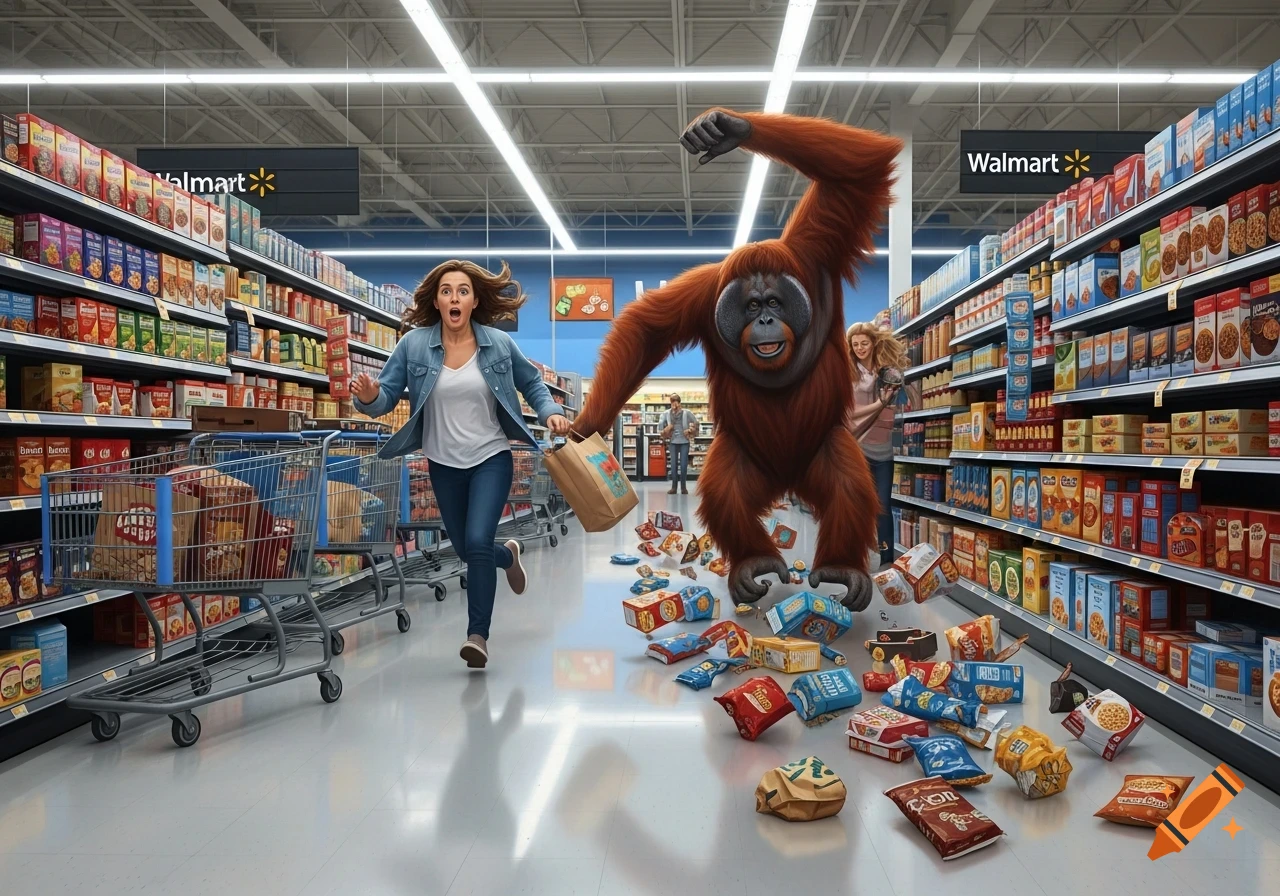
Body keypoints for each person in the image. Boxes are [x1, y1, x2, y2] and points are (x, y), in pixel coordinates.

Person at [352, 259, 571, 669]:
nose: (455, 297)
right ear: (436, 301)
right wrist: (367, 396)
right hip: (442, 463)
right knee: (473, 550)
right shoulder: (414, 345)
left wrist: (549, 413)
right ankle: (506, 555)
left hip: (491, 456)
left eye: (463, 291)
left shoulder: (498, 344)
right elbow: (383, 399)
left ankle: (478, 636)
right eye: (447, 290)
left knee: (474, 541)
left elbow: (531, 383)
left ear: (473, 301)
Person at [846, 322, 914, 569]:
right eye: (855, 345)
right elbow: (848, 414)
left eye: (864, 343)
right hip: (857, 447)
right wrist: (880, 404)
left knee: (884, 506)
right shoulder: (848, 374)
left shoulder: (888, 372)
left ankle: (887, 561)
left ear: (873, 343)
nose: (860, 348)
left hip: (884, 449)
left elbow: (902, 404)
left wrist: (895, 395)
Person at [659, 393, 698, 494]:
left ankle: (683, 487)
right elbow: (660, 428)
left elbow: (696, 423)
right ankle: (674, 487)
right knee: (673, 465)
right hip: (673, 442)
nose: (674, 405)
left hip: (684, 442)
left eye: (676, 402)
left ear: (680, 403)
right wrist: (667, 429)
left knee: (684, 464)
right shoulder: (666, 414)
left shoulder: (687, 413)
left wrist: (689, 430)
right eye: (672, 402)